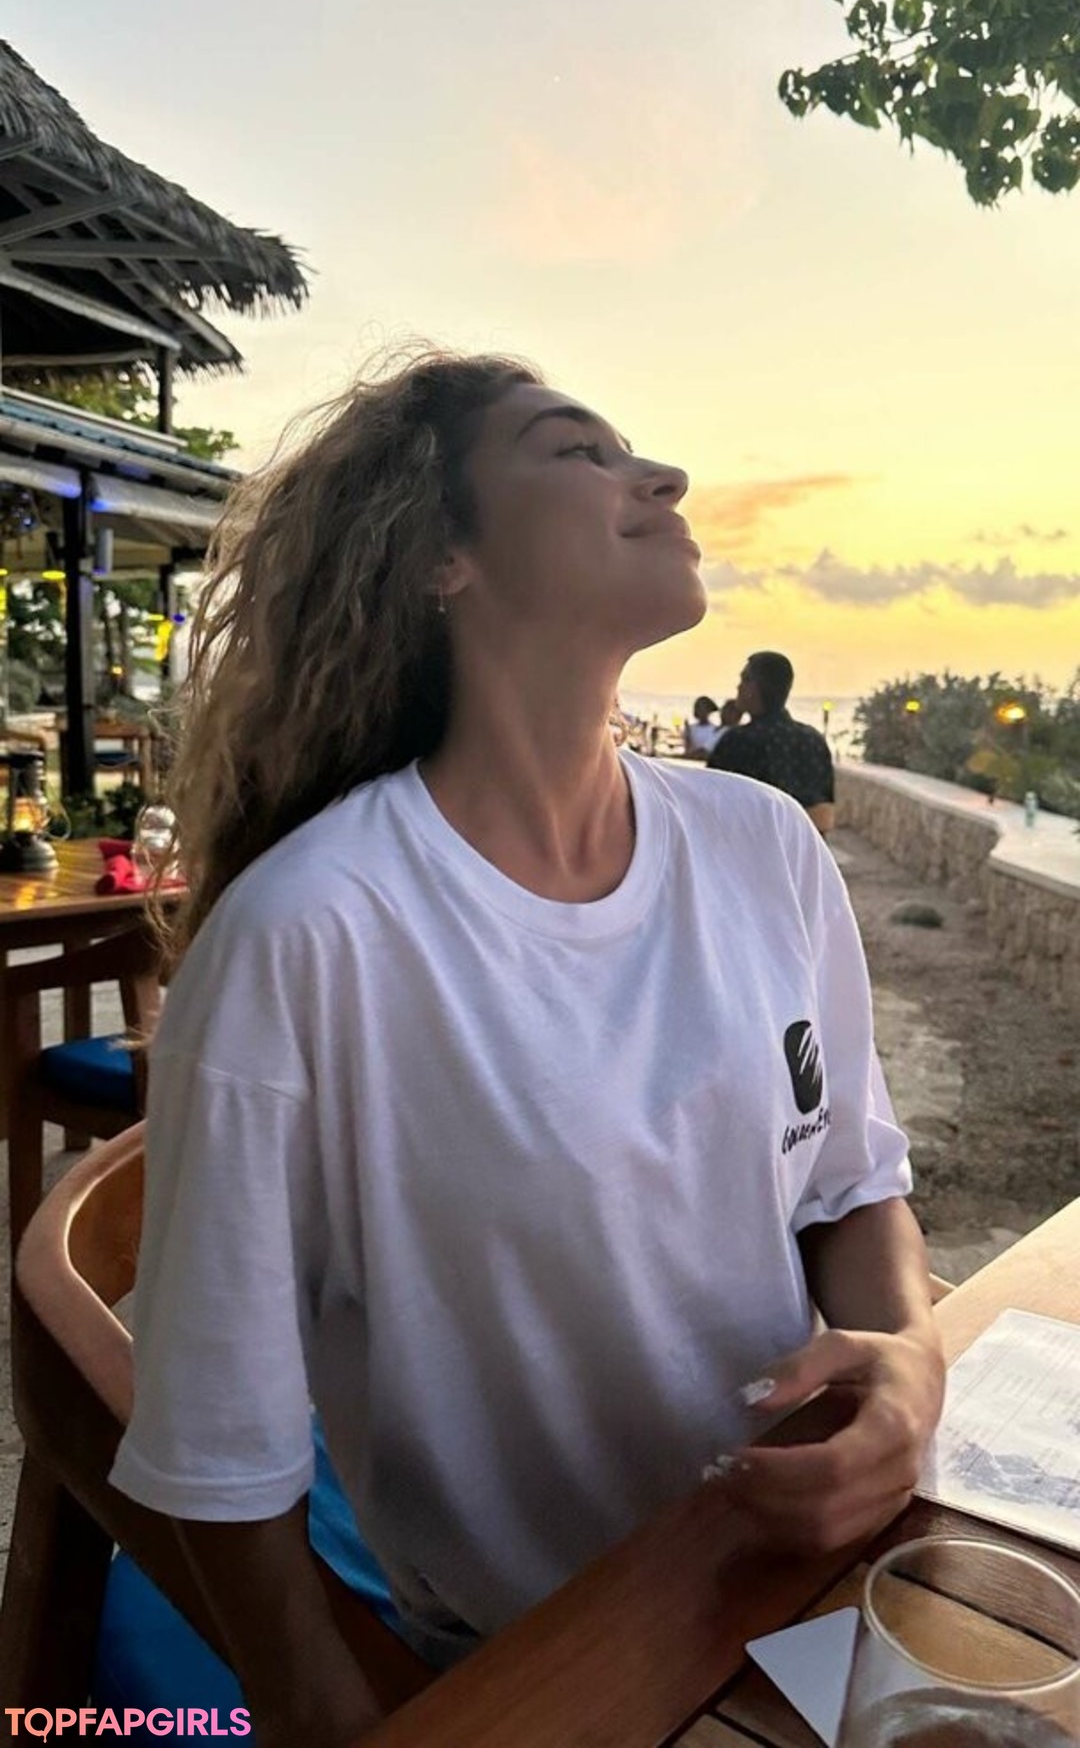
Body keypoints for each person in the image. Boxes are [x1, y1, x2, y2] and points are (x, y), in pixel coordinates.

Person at [110, 349, 944, 1748]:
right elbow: (218, 1438)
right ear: (441, 555)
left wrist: (909, 1366)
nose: (662, 476)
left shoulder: (761, 849)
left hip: (816, 1576)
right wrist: (323, 1705)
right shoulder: (310, 940)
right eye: (576, 450)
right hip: (546, 1656)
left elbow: (852, 1187)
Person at [707, 652, 836, 836]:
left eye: (744, 679)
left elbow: (712, 805)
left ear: (757, 687)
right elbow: (825, 814)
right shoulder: (813, 740)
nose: (739, 686)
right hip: (801, 848)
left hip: (751, 847)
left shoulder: (737, 742)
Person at [681, 694, 722, 759]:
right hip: (692, 760)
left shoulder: (715, 729)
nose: (702, 712)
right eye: (699, 709)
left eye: (704, 709)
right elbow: (687, 749)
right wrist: (687, 733)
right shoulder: (691, 728)